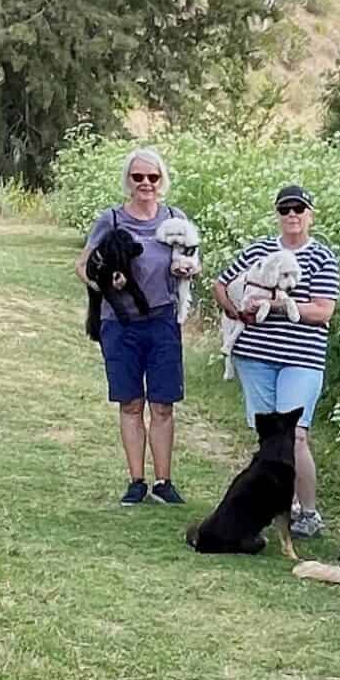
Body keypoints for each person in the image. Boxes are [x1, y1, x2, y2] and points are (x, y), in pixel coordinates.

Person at [215, 183, 340, 540]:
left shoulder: (322, 257)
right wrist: (235, 311)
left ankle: (309, 512)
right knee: (268, 438)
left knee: (297, 435)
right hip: (254, 356)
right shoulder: (257, 250)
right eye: (285, 210)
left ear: (310, 215)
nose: (292, 216)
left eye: (298, 209)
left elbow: (323, 310)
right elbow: (221, 283)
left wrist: (278, 308)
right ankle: (274, 508)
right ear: (277, 214)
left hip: (301, 357)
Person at [78, 146, 198, 506]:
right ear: (128, 182)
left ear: (162, 181)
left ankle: (164, 482)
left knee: (163, 405)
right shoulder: (111, 220)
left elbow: (195, 261)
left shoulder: (176, 218)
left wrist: (189, 269)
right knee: (131, 403)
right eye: (138, 177)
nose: (146, 183)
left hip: (163, 319)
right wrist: (103, 284)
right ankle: (136, 481)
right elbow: (83, 265)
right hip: (120, 322)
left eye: (153, 177)